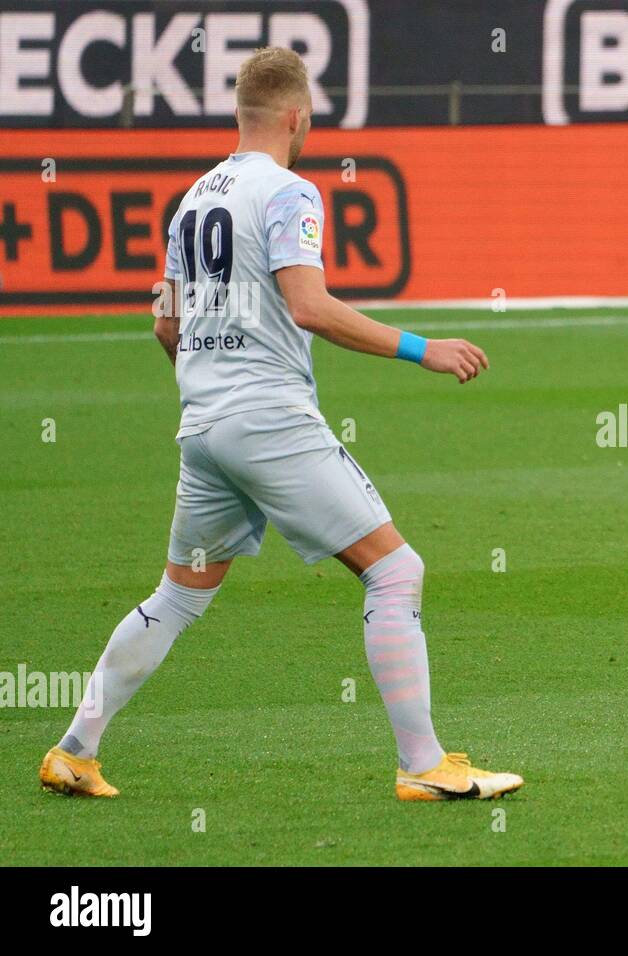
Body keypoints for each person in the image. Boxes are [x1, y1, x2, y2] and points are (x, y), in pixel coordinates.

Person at [40, 47, 522, 802]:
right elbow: (309, 306)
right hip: (267, 419)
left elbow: (165, 324)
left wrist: (209, 386)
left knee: (177, 596)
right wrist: (424, 349)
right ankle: (424, 765)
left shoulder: (192, 199)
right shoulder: (290, 192)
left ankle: (74, 749)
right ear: (296, 117)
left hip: (204, 428)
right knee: (396, 572)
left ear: (243, 112)